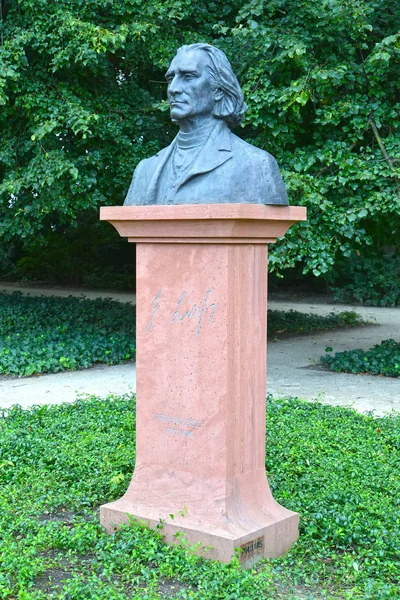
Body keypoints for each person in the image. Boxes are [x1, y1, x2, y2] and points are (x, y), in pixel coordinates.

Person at [124, 43, 289, 206]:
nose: (173, 89)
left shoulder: (256, 165)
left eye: (188, 77)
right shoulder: (146, 170)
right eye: (170, 79)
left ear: (217, 90)